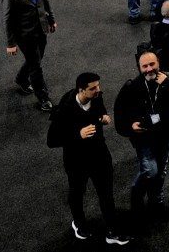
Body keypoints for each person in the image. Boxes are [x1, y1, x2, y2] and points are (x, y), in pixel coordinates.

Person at [47, 72, 131, 245]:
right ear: (81, 90)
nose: (98, 90)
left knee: (106, 194)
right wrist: (77, 135)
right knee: (77, 193)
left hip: (99, 155)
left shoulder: (97, 97)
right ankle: (78, 223)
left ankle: (111, 231)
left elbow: (100, 111)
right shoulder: (65, 108)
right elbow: (52, 140)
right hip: (76, 160)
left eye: (98, 86)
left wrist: (103, 118)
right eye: (93, 88)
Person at [114, 49, 169, 214]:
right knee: (150, 171)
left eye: (152, 64)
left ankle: (157, 201)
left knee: (161, 172)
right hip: (144, 137)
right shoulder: (131, 86)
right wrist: (130, 126)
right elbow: (120, 113)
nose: (149, 69)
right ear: (139, 68)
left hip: (165, 135)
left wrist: (168, 84)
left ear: (158, 64)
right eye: (144, 66)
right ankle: (137, 201)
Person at [3, 0, 58, 112]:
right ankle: (43, 98)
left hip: (42, 29)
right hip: (25, 36)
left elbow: (45, 2)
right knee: (36, 66)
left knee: (37, 58)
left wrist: (51, 20)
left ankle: (21, 78)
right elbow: (7, 20)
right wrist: (10, 44)